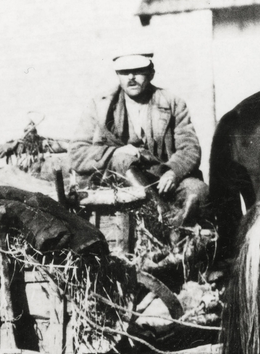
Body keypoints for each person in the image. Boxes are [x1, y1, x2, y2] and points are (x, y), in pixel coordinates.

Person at [69, 50, 210, 227]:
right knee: (122, 158)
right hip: (118, 181)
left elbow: (190, 148)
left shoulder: (172, 103)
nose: (131, 77)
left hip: (163, 177)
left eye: (138, 71)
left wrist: (174, 172)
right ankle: (163, 218)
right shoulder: (100, 106)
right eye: (124, 72)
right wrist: (116, 151)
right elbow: (77, 154)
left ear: (151, 73)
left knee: (198, 191)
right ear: (117, 75)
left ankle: (188, 241)